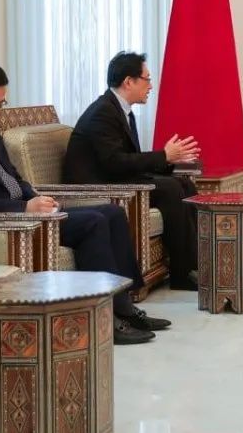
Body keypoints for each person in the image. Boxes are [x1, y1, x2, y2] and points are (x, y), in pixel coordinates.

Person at [0, 59, 170, 344]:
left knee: (112, 212)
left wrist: (35, 198)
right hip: (2, 227)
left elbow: (13, 178)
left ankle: (125, 307)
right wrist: (23, 209)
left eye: (1, 105)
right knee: (93, 222)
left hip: (27, 215)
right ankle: (106, 318)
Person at [62, 51, 201, 291]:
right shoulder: (103, 112)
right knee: (170, 189)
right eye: (147, 79)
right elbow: (114, 162)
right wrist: (163, 155)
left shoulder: (120, 109)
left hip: (115, 178)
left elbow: (128, 160)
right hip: (95, 187)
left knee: (184, 184)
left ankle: (193, 265)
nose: (151, 86)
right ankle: (180, 273)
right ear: (129, 81)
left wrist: (169, 160)